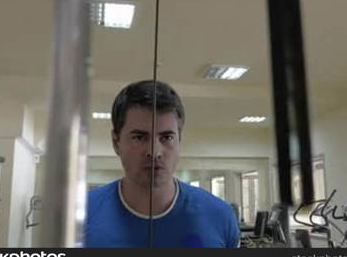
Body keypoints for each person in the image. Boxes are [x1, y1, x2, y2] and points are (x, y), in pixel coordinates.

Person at [85, 80, 240, 247]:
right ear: (116, 143)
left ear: (179, 140)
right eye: (139, 137)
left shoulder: (220, 216)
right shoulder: (80, 215)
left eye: (167, 137)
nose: (154, 152)